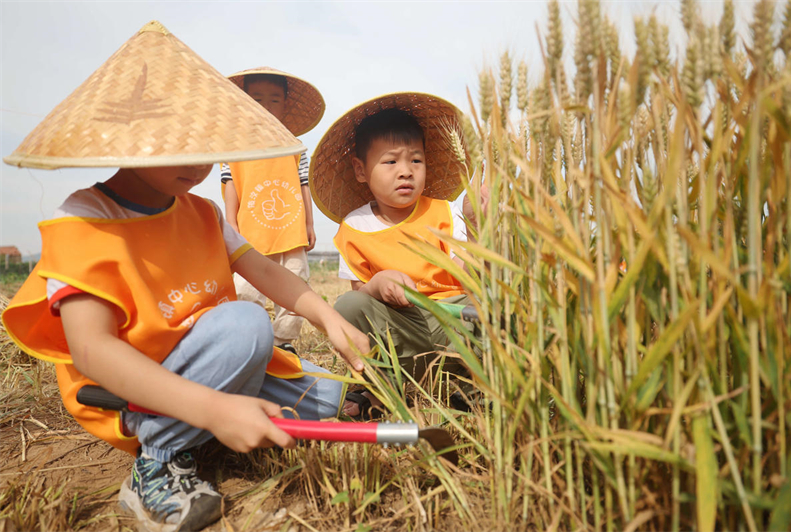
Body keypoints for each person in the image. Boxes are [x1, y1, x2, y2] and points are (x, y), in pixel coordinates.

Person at [2, 22, 367, 532]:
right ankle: (158, 457)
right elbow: (92, 352)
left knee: (334, 399)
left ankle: (212, 418)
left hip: (208, 362)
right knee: (246, 325)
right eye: (179, 141)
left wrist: (327, 316)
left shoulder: (201, 212)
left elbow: (262, 269)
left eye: (209, 141)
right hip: (132, 391)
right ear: (127, 133)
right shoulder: (86, 216)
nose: (199, 161)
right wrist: (213, 408)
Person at [308, 93, 485, 419]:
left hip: (450, 321)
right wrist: (377, 284)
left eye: (415, 161)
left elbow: (467, 277)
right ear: (361, 170)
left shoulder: (444, 211)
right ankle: (380, 385)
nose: (405, 171)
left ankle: (467, 387)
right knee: (347, 307)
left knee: (484, 306)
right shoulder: (354, 227)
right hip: (401, 335)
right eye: (391, 162)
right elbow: (359, 300)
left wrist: (475, 230)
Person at [220, 67, 325, 355]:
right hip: (251, 231)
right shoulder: (235, 145)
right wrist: (231, 223)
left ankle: (283, 343)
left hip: (290, 230)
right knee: (244, 288)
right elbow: (230, 184)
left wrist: (309, 224)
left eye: (274, 100)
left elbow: (305, 185)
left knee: (296, 283)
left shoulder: (295, 145)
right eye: (258, 99)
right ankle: (250, 340)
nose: (266, 106)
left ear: (286, 104)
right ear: (245, 102)